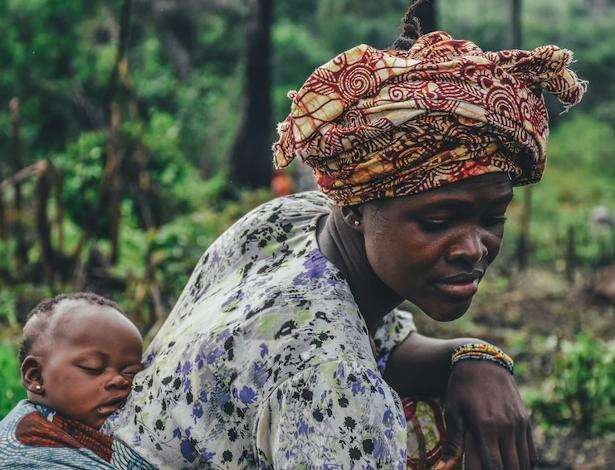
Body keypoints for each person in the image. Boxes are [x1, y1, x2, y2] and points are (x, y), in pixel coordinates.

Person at [105, 3, 586, 469]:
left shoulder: (287, 222)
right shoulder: (333, 386)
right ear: (356, 208)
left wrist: (476, 358)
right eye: (438, 222)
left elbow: (383, 342)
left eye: (493, 218)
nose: (473, 248)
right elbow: (336, 355)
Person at [0, 293, 154, 469]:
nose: (119, 380)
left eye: (130, 372)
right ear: (35, 376)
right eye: (93, 367)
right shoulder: (22, 456)